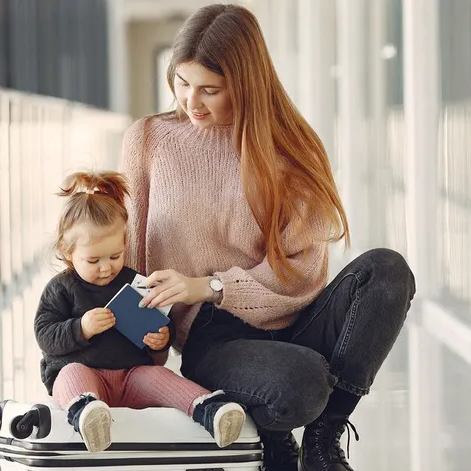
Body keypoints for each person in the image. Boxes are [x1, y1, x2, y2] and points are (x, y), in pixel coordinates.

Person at [120, 4, 416, 471]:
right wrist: (131, 355)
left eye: (209, 89)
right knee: (303, 383)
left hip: (294, 317)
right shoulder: (150, 140)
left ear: (245, 82)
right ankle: (275, 433)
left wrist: (212, 285)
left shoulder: (291, 148)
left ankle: (323, 438)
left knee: (387, 269)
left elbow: (301, 274)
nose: (190, 102)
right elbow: (133, 257)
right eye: (181, 82)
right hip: (213, 338)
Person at [21, 171, 247, 452]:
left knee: (159, 378)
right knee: (71, 374)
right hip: (85, 373)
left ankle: (210, 409)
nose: (106, 267)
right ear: (68, 252)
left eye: (115, 256)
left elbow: (159, 322)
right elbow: (45, 335)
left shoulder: (134, 282)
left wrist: (161, 338)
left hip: (132, 375)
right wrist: (81, 328)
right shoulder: (62, 288)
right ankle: (87, 414)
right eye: (93, 260)